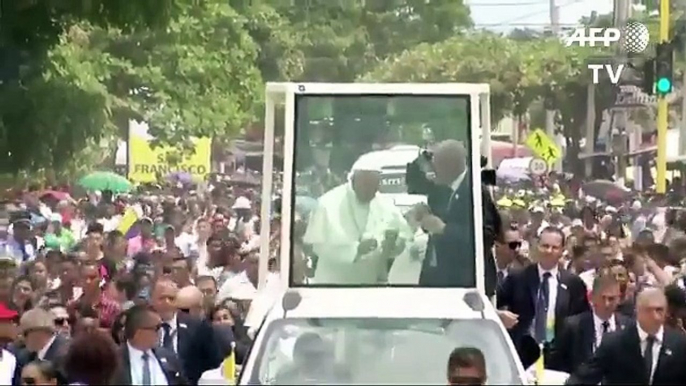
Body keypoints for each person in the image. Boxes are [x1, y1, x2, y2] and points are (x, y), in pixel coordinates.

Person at [406, 140, 500, 293]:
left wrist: (445, 230)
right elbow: (434, 223)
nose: (432, 171)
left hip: (467, 282)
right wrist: (425, 216)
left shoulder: (475, 192)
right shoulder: (441, 190)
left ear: (449, 166)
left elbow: (487, 236)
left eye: (436, 166)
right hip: (438, 279)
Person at [303, 154, 412, 284]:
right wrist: (355, 250)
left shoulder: (384, 204)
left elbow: (404, 237)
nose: (369, 191)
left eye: (373, 186)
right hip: (333, 283)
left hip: (368, 283)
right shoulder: (328, 203)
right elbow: (318, 247)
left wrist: (394, 245)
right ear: (353, 181)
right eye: (365, 185)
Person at [497, 227, 590, 359]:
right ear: (537, 247)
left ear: (562, 251)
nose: (549, 251)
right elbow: (492, 302)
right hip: (523, 353)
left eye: (554, 247)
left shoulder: (573, 283)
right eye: (545, 246)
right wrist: (499, 314)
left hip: (559, 356)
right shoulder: (518, 278)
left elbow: (582, 320)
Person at [566, 287, 686, 384]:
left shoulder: (680, 344)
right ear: (637, 311)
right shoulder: (614, 343)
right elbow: (584, 378)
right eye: (649, 310)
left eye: (659, 310)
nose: (655, 316)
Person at [548, 275, 631, 373]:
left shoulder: (628, 328)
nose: (606, 304)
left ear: (619, 299)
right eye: (602, 298)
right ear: (591, 297)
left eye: (611, 299)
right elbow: (556, 364)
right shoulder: (573, 326)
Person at [150, 278, 221, 384]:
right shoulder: (142, 326)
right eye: (162, 298)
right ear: (152, 300)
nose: (167, 302)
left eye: (171, 298)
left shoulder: (197, 327)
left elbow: (213, 365)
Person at [113, 305, 186, 385]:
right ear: (139, 333)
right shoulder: (114, 361)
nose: (160, 332)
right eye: (157, 328)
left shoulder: (169, 358)